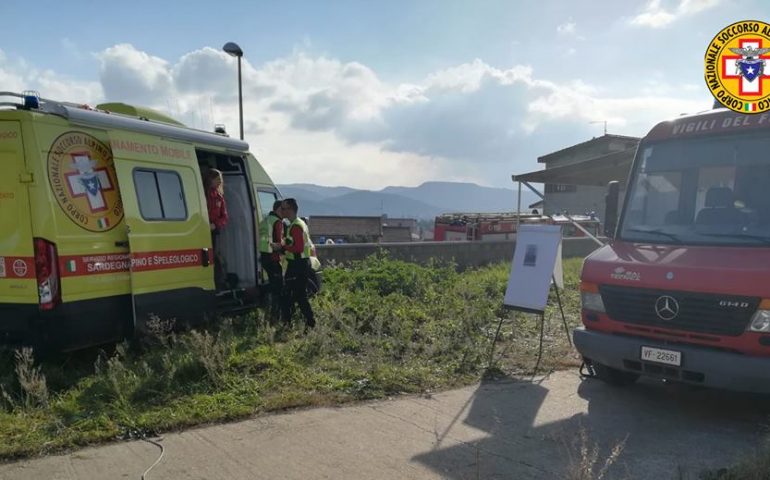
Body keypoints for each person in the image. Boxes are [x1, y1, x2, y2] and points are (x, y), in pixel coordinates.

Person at [280, 198, 315, 328]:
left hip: (297, 265)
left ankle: (291, 324)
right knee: (298, 296)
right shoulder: (299, 223)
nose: (282, 211)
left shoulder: (295, 226)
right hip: (300, 263)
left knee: (292, 295)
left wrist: (282, 247)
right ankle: (308, 323)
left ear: (290, 210)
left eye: (284, 209)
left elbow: (298, 248)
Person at [259, 200, 285, 323]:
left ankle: (270, 313)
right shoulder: (278, 222)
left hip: (264, 257)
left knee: (272, 285)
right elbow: (279, 243)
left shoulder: (265, 220)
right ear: (279, 209)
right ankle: (275, 318)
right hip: (273, 258)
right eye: (284, 209)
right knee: (278, 289)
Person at [205, 168, 228, 288]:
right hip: (202, 229)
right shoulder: (203, 193)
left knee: (213, 257)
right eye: (217, 179)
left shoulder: (219, 197)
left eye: (221, 179)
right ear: (210, 179)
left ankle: (218, 283)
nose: (220, 182)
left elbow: (224, 217)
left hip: (213, 231)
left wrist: (215, 224)